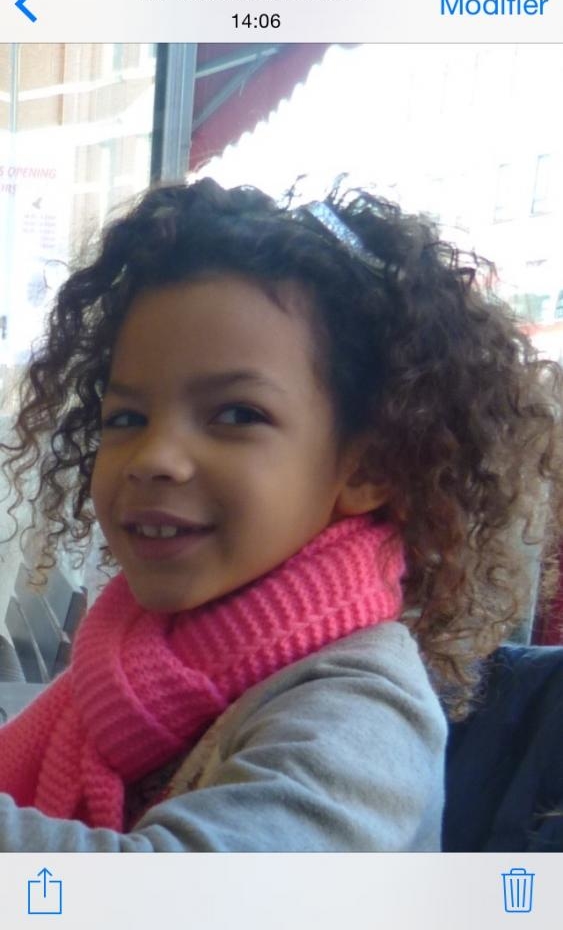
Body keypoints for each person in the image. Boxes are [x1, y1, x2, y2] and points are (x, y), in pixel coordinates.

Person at [0, 178, 561, 852]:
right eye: (126, 417)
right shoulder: (138, 653)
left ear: (370, 467)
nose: (154, 457)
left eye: (237, 414)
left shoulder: (362, 716)